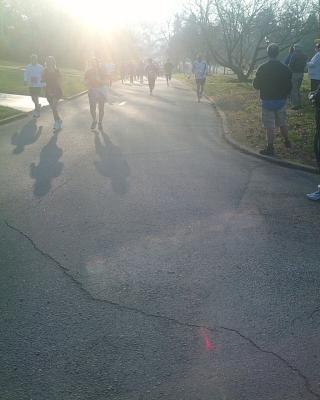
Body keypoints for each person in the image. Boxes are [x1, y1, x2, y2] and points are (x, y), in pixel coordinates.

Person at [253, 43, 292, 156]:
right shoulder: (285, 69)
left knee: (269, 125)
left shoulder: (262, 68)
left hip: (267, 101)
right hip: (281, 100)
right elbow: (289, 86)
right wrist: (285, 95)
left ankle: (270, 147)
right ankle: (287, 141)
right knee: (282, 123)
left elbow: (256, 85)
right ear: (278, 53)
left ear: (268, 53)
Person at [84, 58, 108, 132]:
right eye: (93, 63)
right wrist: (87, 84)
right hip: (92, 90)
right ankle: (94, 120)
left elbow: (105, 82)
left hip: (101, 90)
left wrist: (99, 80)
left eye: (96, 63)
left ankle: (100, 122)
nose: (94, 64)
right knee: (92, 107)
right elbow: (85, 81)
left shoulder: (102, 71)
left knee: (101, 108)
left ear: (98, 63)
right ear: (91, 64)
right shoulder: (88, 72)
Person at [42, 56, 63, 131]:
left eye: (51, 61)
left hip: (57, 90)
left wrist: (56, 89)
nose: (50, 63)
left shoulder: (57, 70)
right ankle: (59, 120)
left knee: (54, 107)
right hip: (48, 91)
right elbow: (43, 81)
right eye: (48, 62)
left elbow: (60, 80)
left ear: (53, 62)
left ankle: (56, 123)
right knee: (53, 108)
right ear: (47, 63)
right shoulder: (45, 71)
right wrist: (46, 90)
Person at [288, 44, 308, 110]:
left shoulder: (294, 54)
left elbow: (290, 64)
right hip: (301, 73)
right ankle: (299, 103)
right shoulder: (304, 55)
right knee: (298, 89)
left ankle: (296, 105)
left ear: (295, 48)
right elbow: (305, 63)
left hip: (294, 73)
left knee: (294, 90)